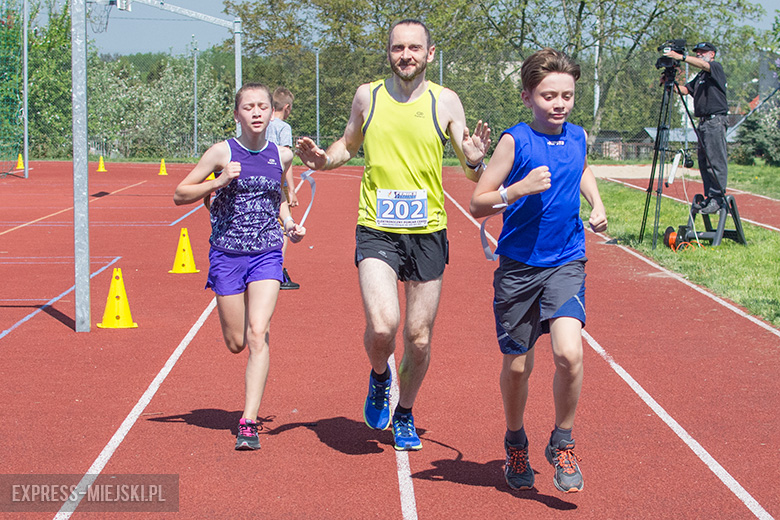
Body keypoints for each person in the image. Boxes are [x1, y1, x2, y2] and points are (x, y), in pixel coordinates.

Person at [296, 19, 490, 451]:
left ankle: (405, 412)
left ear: (430, 53)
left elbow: (469, 166)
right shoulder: (370, 95)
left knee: (418, 338)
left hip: (427, 232)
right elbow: (349, 143)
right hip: (377, 227)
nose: (406, 55)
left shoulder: (447, 102)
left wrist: (476, 161)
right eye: (398, 47)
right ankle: (380, 377)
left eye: (414, 48)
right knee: (384, 326)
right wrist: (323, 159)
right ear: (388, 52)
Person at [469, 48, 607, 493]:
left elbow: (581, 170)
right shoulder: (515, 141)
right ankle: (515, 442)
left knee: (570, 353)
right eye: (549, 95)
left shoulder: (578, 136)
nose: (560, 103)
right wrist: (518, 189)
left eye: (567, 94)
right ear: (528, 96)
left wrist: (597, 203)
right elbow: (478, 202)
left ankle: (562, 441)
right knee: (517, 368)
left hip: (566, 260)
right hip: (518, 269)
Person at [173, 82, 306, 450]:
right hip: (227, 255)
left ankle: (248, 422)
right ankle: (251, 336)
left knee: (257, 334)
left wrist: (288, 224)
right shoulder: (221, 152)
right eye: (249, 107)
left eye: (262, 106)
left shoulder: (281, 155)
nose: (257, 112)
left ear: (270, 111)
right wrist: (220, 180)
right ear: (237, 114)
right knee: (236, 343)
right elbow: (180, 194)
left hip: (267, 253)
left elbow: (277, 194)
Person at [664, 42, 729, 214]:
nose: (699, 54)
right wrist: (672, 85)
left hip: (715, 121)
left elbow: (704, 65)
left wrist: (681, 57)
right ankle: (710, 196)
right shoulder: (701, 76)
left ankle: (718, 198)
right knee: (704, 161)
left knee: (715, 160)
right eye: (697, 52)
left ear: (712, 54)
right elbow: (686, 90)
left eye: (702, 52)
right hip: (704, 123)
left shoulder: (714, 68)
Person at [266, 86, 300, 289]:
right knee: (284, 226)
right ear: (286, 108)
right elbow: (286, 160)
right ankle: (277, 269)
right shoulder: (283, 128)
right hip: (278, 183)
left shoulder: (263, 124)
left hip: (262, 180)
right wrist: (292, 189)